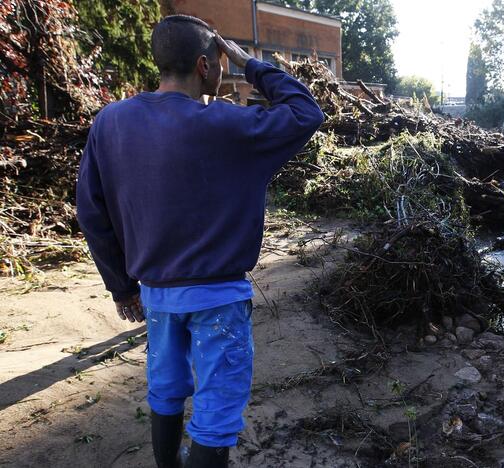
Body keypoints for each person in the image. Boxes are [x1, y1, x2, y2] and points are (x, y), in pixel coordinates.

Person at [76, 14, 324, 468]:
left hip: (155, 295)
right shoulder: (229, 126)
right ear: (205, 66)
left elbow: (92, 213)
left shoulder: (110, 123)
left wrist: (121, 286)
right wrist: (253, 64)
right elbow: (307, 113)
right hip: (219, 298)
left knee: (166, 389)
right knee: (215, 414)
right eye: (221, 62)